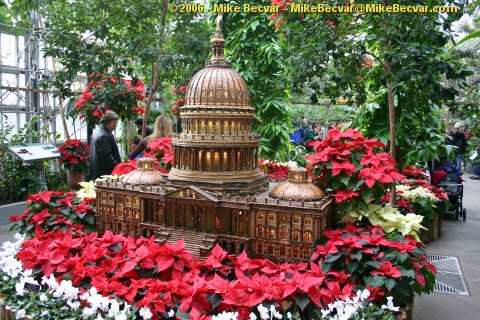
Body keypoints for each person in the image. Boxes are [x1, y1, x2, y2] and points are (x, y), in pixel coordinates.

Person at [89, 110, 122, 181]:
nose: (116, 125)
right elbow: (106, 156)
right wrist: (117, 166)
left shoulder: (96, 132)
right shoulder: (105, 135)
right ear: (108, 122)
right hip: (104, 173)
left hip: (96, 170)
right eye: (114, 123)